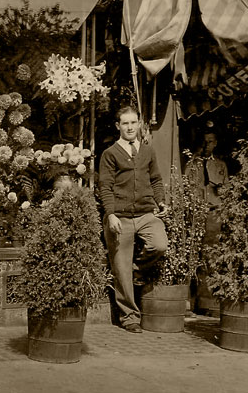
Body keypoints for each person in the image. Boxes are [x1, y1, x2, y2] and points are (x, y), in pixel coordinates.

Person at [99, 105, 168, 333]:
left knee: (159, 244)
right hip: (120, 218)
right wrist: (110, 215)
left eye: (133, 123)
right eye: (125, 123)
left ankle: (135, 271)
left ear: (139, 124)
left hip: (146, 214)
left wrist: (161, 201)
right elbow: (105, 187)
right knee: (120, 266)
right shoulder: (110, 154)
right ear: (118, 126)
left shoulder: (147, 151)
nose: (130, 127)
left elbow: (156, 179)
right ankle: (129, 317)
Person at [185, 128, 229, 315]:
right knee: (192, 256)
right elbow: (186, 187)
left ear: (216, 143)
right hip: (196, 215)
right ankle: (189, 302)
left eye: (210, 141)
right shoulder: (192, 165)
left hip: (213, 215)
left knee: (210, 258)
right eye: (204, 141)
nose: (206, 145)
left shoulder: (220, 165)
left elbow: (226, 191)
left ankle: (207, 303)